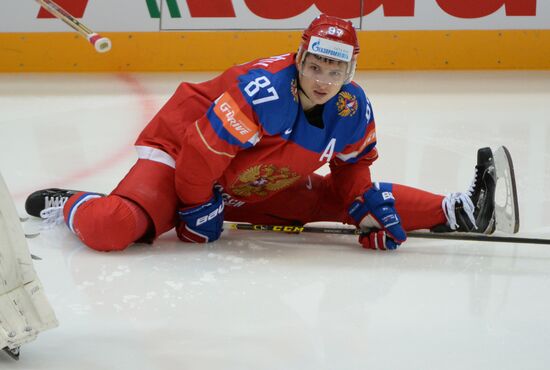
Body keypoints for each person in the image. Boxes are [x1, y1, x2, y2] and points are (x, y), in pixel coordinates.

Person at [25, 14, 498, 252]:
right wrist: (194, 207)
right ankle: (70, 202)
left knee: (354, 201)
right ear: (299, 58)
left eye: (335, 72)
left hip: (251, 172)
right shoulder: (262, 92)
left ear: (351, 71)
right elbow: (199, 152)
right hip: (182, 152)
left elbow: (354, 168)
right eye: (314, 66)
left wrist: (362, 209)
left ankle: (457, 211)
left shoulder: (354, 107)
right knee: (113, 227)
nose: (321, 81)